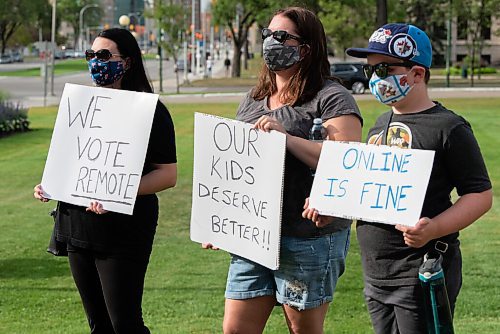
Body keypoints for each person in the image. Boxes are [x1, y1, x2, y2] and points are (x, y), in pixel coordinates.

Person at [304, 23, 492, 333]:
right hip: (377, 272)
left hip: (421, 269)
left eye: (384, 70)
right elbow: (366, 187)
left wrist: (435, 228)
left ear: (417, 74)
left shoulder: (449, 127)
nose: (374, 79)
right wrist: (329, 202)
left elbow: (480, 195)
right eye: (370, 71)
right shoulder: (381, 123)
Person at [204, 7, 362, 333]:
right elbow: (238, 168)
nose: (270, 43)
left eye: (280, 36)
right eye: (267, 35)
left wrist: (285, 138)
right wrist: (220, 220)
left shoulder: (331, 97)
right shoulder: (253, 99)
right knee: (235, 329)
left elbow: (346, 159)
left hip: (307, 237)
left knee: (302, 330)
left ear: (305, 47)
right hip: (253, 236)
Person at [34, 28, 177, 334]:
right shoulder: (81, 106)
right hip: (76, 226)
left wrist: (120, 194)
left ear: (126, 62)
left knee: (124, 323)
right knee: (98, 325)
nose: (96, 62)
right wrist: (50, 184)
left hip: (123, 230)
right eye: (91, 55)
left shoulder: (150, 110)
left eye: (104, 55)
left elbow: (168, 175)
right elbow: (69, 160)